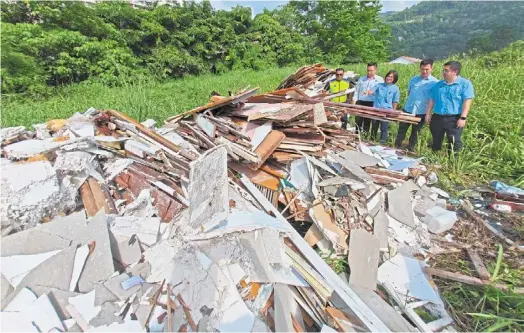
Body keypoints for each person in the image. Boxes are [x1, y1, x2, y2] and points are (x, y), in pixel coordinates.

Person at [425, 61, 474, 152]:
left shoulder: (465, 84)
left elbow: (467, 102)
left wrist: (463, 117)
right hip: (438, 117)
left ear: (454, 72)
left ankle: (452, 162)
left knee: (454, 141)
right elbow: (432, 99)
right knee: (436, 139)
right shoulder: (439, 85)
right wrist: (428, 113)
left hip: (454, 118)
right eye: (443, 70)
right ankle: (435, 159)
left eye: (446, 70)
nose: (443, 72)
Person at [395, 59, 438, 151]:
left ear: (431, 69)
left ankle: (410, 149)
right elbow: (410, 92)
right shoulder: (413, 79)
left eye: (427, 69)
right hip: (408, 109)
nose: (424, 71)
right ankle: (396, 147)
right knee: (401, 130)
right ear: (419, 68)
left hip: (421, 112)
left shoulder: (435, 83)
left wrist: (428, 113)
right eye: (422, 69)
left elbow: (433, 99)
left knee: (416, 132)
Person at [369, 70, 400, 144]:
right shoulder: (379, 85)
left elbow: (395, 101)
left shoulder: (395, 88)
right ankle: (372, 141)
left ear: (394, 79)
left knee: (384, 128)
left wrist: (393, 110)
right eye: (388, 76)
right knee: (374, 126)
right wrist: (368, 92)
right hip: (376, 109)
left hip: (387, 111)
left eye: (391, 77)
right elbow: (372, 90)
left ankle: (382, 143)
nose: (389, 78)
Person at [353, 62, 384, 133]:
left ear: (375, 70)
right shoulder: (362, 79)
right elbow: (357, 90)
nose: (369, 72)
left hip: (371, 102)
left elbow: (381, 92)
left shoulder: (379, 80)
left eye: (371, 70)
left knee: (367, 121)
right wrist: (354, 101)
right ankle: (356, 135)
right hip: (360, 102)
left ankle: (365, 135)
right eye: (368, 70)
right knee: (358, 120)